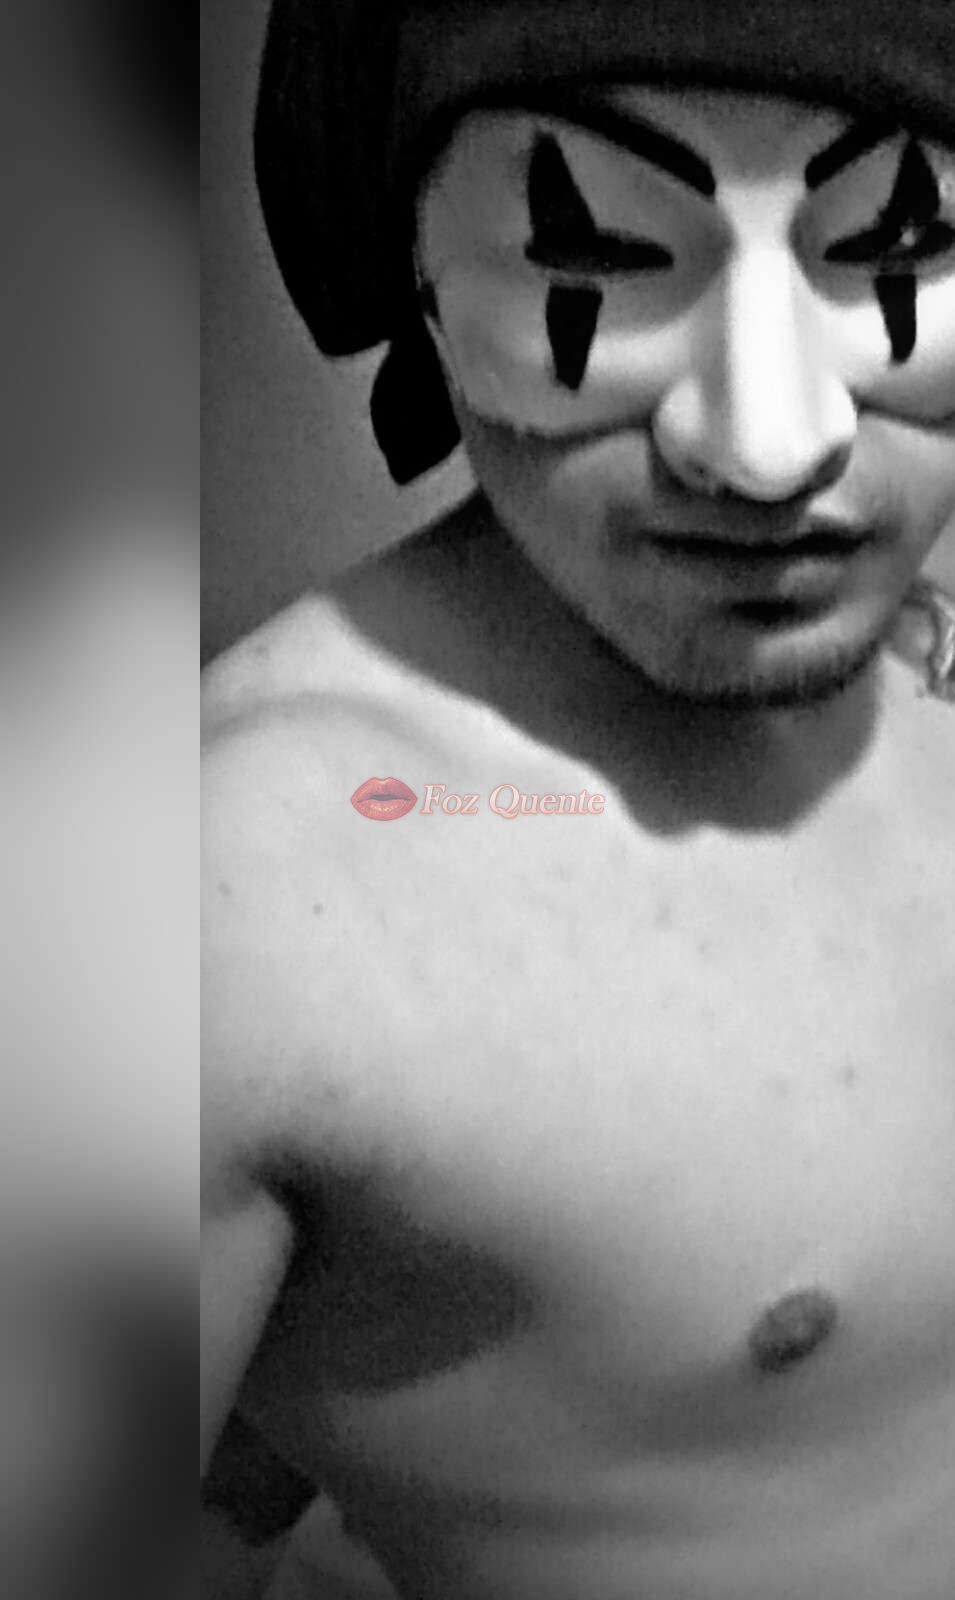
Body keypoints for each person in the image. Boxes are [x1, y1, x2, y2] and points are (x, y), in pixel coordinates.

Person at [202, 2, 955, 1595]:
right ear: (408, 269)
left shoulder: (931, 674)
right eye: (596, 256)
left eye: (897, 246)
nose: (771, 449)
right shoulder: (212, 913)